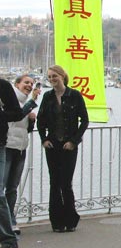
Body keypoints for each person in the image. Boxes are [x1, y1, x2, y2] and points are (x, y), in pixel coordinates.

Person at [36, 65, 89, 233]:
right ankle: (56, 221)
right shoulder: (48, 97)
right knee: (54, 182)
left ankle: (70, 220)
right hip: (52, 145)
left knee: (66, 183)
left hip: (69, 146)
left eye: (55, 76)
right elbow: (40, 120)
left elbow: (84, 120)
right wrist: (44, 139)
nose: (52, 79)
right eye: (50, 77)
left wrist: (74, 141)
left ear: (62, 76)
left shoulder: (74, 95)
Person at [1, 76, 36, 248]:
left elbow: (17, 118)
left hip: (13, 147)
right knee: (6, 188)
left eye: (31, 83)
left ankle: (9, 234)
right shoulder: (13, 95)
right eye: (26, 83)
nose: (29, 86)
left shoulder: (4, 87)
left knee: (9, 189)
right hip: (10, 146)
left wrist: (31, 118)